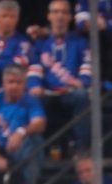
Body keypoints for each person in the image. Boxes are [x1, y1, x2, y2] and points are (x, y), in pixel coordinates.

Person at [27, 0, 92, 151]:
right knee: (31, 97)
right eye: (56, 12)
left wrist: (82, 81)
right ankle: (37, 147)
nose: (60, 16)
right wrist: (35, 85)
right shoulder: (40, 43)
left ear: (70, 17)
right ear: (49, 16)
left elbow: (87, 65)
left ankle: (80, 146)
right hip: (47, 91)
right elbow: (34, 68)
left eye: (64, 12)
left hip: (70, 91)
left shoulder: (80, 42)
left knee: (82, 94)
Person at [74, 1, 112, 91]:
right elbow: (80, 16)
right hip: (94, 28)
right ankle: (88, 82)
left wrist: (107, 25)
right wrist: (89, 23)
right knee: (79, 36)